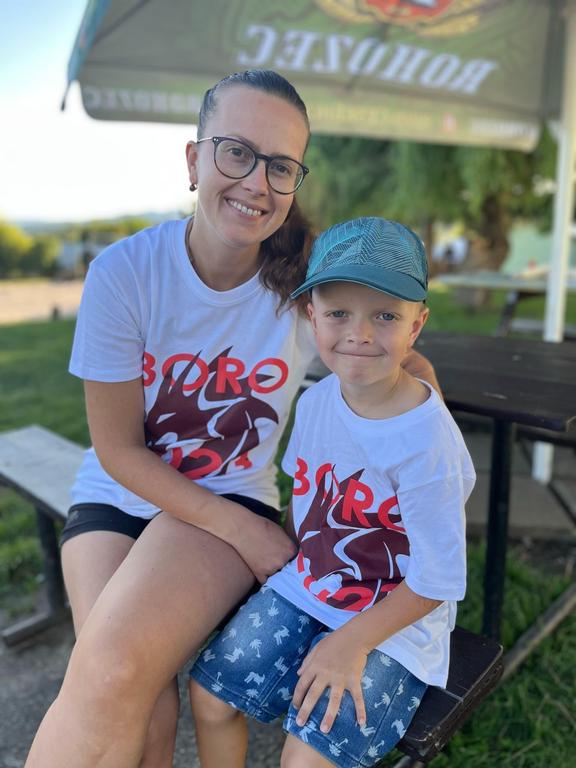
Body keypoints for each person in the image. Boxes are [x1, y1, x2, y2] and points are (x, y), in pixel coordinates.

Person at [25, 70, 438, 768]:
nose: (256, 182)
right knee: (135, 696)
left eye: (280, 166)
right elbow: (118, 451)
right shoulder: (125, 273)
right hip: (118, 496)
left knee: (118, 668)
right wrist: (248, 535)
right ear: (195, 160)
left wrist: (420, 433)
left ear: (295, 183)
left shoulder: (308, 283)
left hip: (229, 492)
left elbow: (403, 359)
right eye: (237, 152)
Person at [189, 217, 476, 768]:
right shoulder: (316, 401)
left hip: (396, 624)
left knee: (305, 756)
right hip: (310, 585)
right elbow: (306, 501)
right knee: (210, 696)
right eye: (339, 312)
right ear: (311, 315)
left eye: (385, 316)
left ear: (416, 326)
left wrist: (349, 642)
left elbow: (436, 580)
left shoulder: (427, 443)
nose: (359, 334)